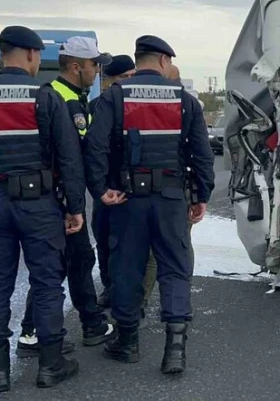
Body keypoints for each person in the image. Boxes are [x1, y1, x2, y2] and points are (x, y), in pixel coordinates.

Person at [84, 35, 214, 374]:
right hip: (171, 199)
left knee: (127, 268)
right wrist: (201, 196)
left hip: (127, 199)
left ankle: (127, 342)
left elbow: (95, 147)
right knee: (175, 268)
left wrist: (100, 190)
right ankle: (175, 349)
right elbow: (202, 154)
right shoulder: (185, 100)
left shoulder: (115, 96)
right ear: (164, 61)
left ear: (138, 59)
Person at [16, 37, 115, 358]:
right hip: (56, 197)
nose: (98, 71)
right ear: (76, 66)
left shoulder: (73, 96)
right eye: (94, 65)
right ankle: (35, 331)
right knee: (59, 264)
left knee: (74, 260)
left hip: (55, 194)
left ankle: (87, 322)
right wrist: (83, 199)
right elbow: (76, 156)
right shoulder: (62, 99)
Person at [0, 26, 83, 390]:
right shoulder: (45, 96)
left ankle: (1, 372)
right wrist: (75, 207)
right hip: (38, 203)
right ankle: (50, 364)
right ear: (33, 54)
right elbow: (68, 157)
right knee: (47, 282)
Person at [140, 64, 201, 325]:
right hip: (180, 190)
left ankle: (141, 303)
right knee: (180, 247)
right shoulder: (189, 105)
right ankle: (177, 305)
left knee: (153, 253)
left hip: (153, 190)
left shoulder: (151, 105)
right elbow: (201, 154)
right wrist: (201, 194)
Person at [90, 54, 137, 308]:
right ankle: (109, 287)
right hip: (106, 186)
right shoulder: (96, 106)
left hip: (132, 186)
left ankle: (128, 294)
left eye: (132, 76)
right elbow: (91, 149)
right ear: (109, 80)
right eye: (124, 77)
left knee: (130, 244)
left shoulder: (139, 105)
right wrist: (99, 187)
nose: (129, 81)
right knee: (104, 240)